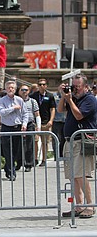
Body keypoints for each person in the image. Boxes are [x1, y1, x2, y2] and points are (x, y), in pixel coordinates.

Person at [58, 74, 97, 219]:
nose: (75, 89)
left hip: (82, 142)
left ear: (86, 87)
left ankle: (90, 205)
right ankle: (79, 205)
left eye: (78, 86)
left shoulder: (90, 100)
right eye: (73, 86)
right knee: (73, 176)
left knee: (82, 175)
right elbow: (61, 109)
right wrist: (64, 96)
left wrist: (69, 99)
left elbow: (79, 115)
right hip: (69, 141)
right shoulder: (72, 97)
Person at [0, 80, 28, 181]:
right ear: (6, 89)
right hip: (6, 127)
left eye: (12, 88)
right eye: (9, 88)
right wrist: (13, 108)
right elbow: (2, 112)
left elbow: (25, 113)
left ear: (15, 90)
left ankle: (7, 167)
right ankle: (12, 173)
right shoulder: (2, 100)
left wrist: (24, 124)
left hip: (17, 127)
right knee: (8, 151)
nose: (10, 89)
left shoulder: (20, 100)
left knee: (16, 152)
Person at [29, 78, 56, 166]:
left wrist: (51, 120)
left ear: (46, 86)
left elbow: (52, 109)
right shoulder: (33, 96)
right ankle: (35, 158)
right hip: (36, 122)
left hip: (46, 122)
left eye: (43, 84)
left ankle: (44, 159)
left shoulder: (50, 96)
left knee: (45, 142)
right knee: (36, 141)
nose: (42, 86)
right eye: (40, 84)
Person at [18, 85, 41, 172]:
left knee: (29, 145)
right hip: (18, 124)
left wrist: (38, 127)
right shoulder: (16, 101)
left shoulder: (32, 101)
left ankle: (28, 164)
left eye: (26, 90)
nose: (24, 91)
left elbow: (37, 114)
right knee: (18, 145)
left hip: (30, 124)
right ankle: (19, 162)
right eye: (22, 90)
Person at [52, 89, 66, 160]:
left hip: (65, 120)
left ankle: (62, 154)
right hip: (56, 120)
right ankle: (56, 155)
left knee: (64, 139)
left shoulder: (69, 96)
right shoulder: (54, 96)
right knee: (56, 138)